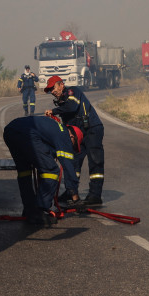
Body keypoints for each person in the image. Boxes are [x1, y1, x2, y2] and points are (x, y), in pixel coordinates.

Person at [2, 112, 82, 225]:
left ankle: (29, 209)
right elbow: (68, 167)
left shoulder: (55, 128)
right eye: (74, 145)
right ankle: (40, 210)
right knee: (52, 171)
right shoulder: (64, 135)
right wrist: (75, 197)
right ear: (72, 137)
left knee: (25, 172)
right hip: (27, 134)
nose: (72, 148)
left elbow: (43, 151)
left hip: (11, 130)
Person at [44, 75, 106, 206]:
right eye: (50, 90)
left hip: (92, 129)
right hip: (78, 134)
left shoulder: (72, 92)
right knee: (73, 163)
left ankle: (95, 195)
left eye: (53, 88)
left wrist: (53, 111)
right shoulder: (61, 103)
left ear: (61, 85)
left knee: (95, 161)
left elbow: (72, 106)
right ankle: (71, 191)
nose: (52, 92)